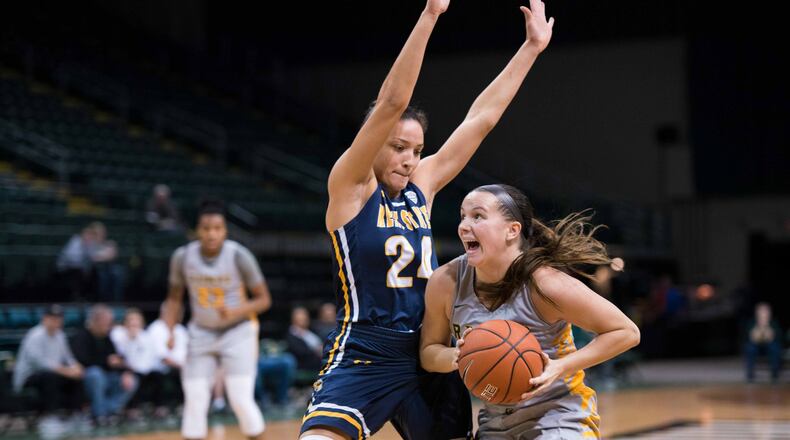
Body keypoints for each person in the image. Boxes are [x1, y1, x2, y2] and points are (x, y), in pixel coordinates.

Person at [301, 1, 554, 438]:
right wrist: (431, 15)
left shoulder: (422, 186)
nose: (408, 159)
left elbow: (481, 119)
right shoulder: (351, 187)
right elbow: (392, 101)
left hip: (428, 350)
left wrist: (530, 48)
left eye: (416, 151)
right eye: (398, 146)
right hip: (366, 349)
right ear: (374, 141)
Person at [419, 184, 641, 439]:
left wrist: (560, 366)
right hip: (495, 421)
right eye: (463, 216)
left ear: (512, 230)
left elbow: (626, 331)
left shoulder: (545, 284)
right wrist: (460, 356)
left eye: (477, 216)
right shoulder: (446, 281)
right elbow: (428, 352)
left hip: (560, 414)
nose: (464, 226)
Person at [163, 200, 273, 440]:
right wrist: (169, 330)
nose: (211, 233)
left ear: (224, 230)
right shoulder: (182, 257)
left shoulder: (239, 256)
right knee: (194, 397)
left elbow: (264, 300)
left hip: (238, 331)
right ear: (197, 230)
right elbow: (173, 299)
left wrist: (236, 310)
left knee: (240, 397)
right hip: (201, 331)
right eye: (206, 228)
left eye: (217, 228)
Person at [70, 304, 138, 425]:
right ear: (96, 321)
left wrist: (124, 372)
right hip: (86, 379)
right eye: (107, 322)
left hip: (107, 377)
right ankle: (99, 415)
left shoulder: (107, 338)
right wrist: (106, 362)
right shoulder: (81, 336)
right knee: (96, 374)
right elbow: (83, 361)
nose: (109, 325)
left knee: (131, 381)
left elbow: (115, 358)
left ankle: (108, 410)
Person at [12, 305, 84, 416]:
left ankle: (76, 416)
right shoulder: (35, 335)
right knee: (50, 377)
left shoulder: (60, 335)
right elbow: (39, 363)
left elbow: (69, 358)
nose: (56, 321)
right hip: (28, 378)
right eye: (53, 318)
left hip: (53, 374)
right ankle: (50, 417)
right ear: (45, 318)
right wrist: (66, 371)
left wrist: (76, 367)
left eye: (59, 318)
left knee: (76, 378)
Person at [146, 302, 188, 416]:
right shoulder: (156, 328)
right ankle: (164, 407)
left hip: (180, 366)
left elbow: (188, 352)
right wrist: (182, 366)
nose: (179, 314)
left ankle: (188, 405)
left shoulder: (180, 329)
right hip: (159, 368)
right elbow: (162, 357)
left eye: (180, 312)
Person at [745, 302, 782, 383]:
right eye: (761, 311)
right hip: (756, 346)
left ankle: (775, 373)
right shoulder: (751, 323)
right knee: (750, 348)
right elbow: (752, 338)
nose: (763, 313)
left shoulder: (774, 323)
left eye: (765, 311)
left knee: (775, 347)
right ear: (757, 313)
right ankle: (750, 375)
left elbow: (775, 337)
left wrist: (767, 330)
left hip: (770, 345)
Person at [286, 306, 324, 372]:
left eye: (305, 318)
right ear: (293, 319)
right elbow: (300, 352)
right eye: (301, 319)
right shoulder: (292, 334)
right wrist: (317, 351)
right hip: (306, 365)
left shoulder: (312, 331)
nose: (304, 320)